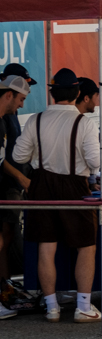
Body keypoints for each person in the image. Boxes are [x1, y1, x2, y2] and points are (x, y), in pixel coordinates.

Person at [11, 69, 101, 322]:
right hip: (74, 186)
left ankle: (52, 307)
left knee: (45, 248)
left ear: (52, 92)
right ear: (77, 93)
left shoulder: (36, 120)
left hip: (41, 186)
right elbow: (95, 161)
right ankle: (83, 306)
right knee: (86, 247)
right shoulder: (83, 123)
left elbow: (18, 157)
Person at [0, 73, 31, 317]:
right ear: (8, 94)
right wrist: (20, 178)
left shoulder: (3, 119)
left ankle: (4, 286)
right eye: (20, 99)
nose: (22, 105)